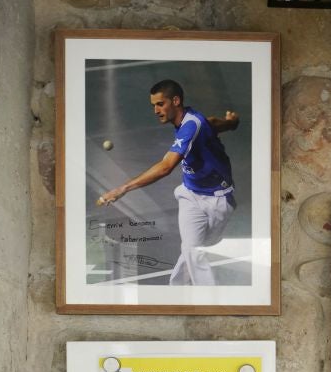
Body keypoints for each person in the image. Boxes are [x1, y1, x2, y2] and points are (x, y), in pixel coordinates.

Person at [97, 79, 240, 287]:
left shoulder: (192, 125)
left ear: (176, 101)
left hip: (218, 200)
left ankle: (180, 289)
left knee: (194, 250)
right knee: (193, 250)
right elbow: (212, 123)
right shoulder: (191, 122)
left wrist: (123, 188)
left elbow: (166, 167)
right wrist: (231, 123)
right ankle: (204, 297)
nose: (156, 110)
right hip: (190, 196)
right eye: (153, 105)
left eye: (160, 104)